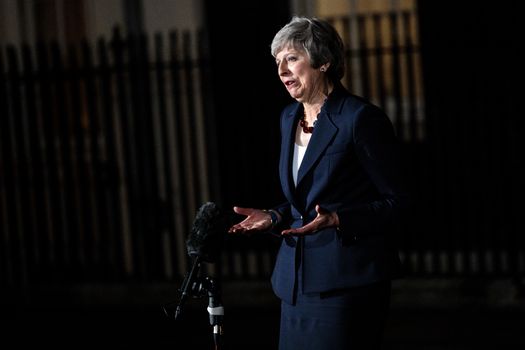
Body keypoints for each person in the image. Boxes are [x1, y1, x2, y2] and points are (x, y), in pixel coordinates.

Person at [228, 16, 410, 349]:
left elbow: (399, 201)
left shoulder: (360, 119)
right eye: (277, 60)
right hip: (294, 286)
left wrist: (340, 219)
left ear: (323, 61)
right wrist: (275, 216)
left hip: (346, 284)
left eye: (292, 58)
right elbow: (306, 201)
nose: (281, 69)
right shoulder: (289, 117)